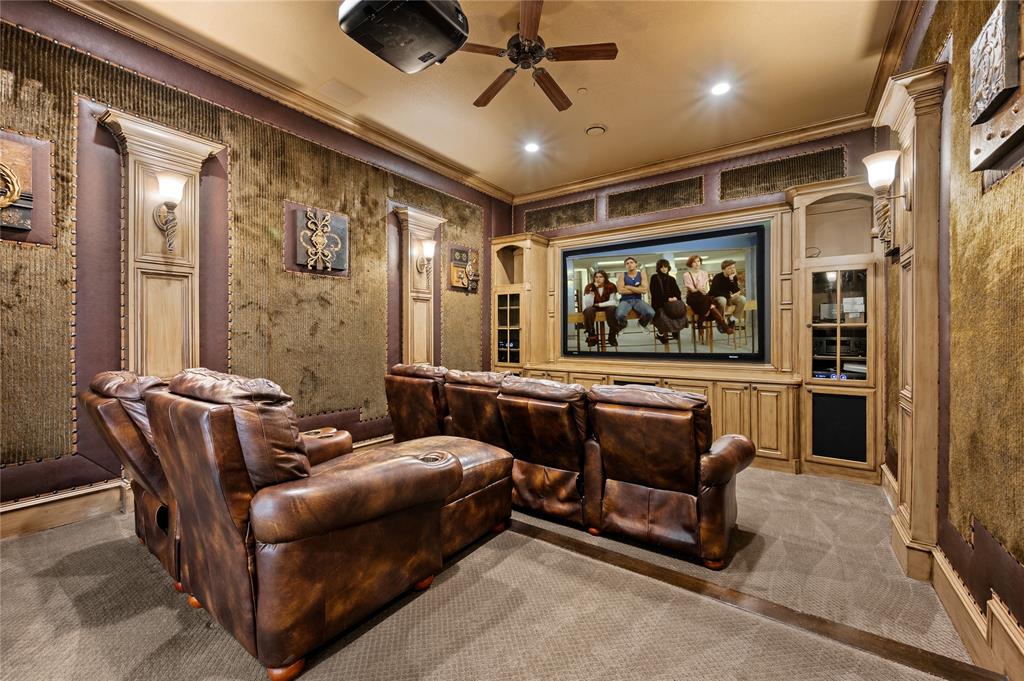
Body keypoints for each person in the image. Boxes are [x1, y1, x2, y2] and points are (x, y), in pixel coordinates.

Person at [683, 255, 733, 335]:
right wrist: (699, 289)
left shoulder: (704, 273)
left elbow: (706, 288)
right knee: (711, 305)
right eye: (694, 262)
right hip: (693, 297)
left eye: (698, 261)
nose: (697, 264)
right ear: (691, 264)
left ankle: (700, 322)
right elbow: (692, 289)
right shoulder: (686, 274)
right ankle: (725, 326)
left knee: (709, 303)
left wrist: (704, 290)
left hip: (703, 296)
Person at [612, 256, 655, 346]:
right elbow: (620, 291)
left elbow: (644, 290)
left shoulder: (641, 274)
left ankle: (642, 323)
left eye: (631, 262)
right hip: (625, 300)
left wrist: (628, 287)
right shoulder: (622, 275)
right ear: (625, 266)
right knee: (619, 314)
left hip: (638, 300)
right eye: (627, 263)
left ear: (635, 264)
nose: (629, 265)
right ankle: (623, 325)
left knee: (651, 312)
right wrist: (637, 288)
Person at [649, 258, 688, 343]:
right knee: (662, 315)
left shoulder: (671, 279)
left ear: (668, 268)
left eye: (666, 267)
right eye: (662, 267)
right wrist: (667, 299)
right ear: (659, 268)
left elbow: (677, 292)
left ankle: (675, 330)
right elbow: (654, 293)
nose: (664, 269)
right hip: (659, 303)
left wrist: (675, 298)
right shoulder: (654, 278)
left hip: (672, 302)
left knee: (680, 310)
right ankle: (661, 334)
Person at [581, 270, 619, 347]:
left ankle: (612, 334)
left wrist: (599, 304)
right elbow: (588, 305)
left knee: (612, 309)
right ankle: (591, 334)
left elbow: (613, 302)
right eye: (596, 277)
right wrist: (592, 293)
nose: (598, 279)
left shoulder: (611, 286)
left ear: (605, 278)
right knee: (588, 311)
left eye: (601, 277)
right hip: (593, 306)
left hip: (606, 306)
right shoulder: (589, 287)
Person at [710, 259, 746, 327]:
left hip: (728, 297)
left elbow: (736, 291)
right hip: (716, 297)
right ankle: (720, 322)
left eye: (733, 267)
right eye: (729, 268)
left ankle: (732, 320)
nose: (732, 270)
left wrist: (731, 280)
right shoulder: (717, 277)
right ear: (723, 270)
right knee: (723, 299)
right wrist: (729, 295)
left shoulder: (733, 277)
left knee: (742, 299)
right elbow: (714, 291)